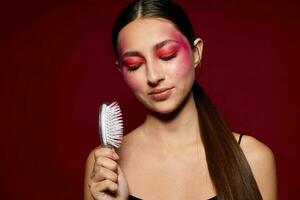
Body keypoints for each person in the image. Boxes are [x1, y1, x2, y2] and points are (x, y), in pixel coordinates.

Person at [84, 0, 277, 199]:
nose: (153, 76)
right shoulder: (106, 166)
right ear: (121, 71)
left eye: (167, 55)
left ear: (196, 53)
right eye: (134, 65)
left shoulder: (253, 159)